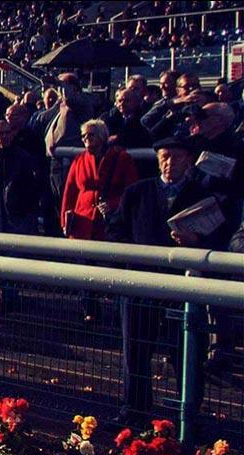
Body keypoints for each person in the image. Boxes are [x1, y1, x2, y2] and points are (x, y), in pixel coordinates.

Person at [105, 136, 212, 425]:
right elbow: (116, 231)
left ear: (188, 160)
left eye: (176, 157)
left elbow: (219, 234)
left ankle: (188, 416)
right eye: (164, 156)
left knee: (185, 354)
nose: (169, 162)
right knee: (136, 352)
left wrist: (197, 240)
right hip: (141, 285)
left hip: (184, 288)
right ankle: (135, 411)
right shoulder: (137, 192)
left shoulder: (203, 193)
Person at [61, 120, 139, 241]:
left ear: (102, 136)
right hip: (81, 223)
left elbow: (132, 190)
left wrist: (114, 204)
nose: (86, 138)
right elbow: (70, 192)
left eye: (90, 134)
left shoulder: (122, 158)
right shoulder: (79, 160)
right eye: (83, 135)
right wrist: (64, 221)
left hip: (109, 223)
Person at [0, 120, 45, 234]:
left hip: (19, 216)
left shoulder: (24, 157)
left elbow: (34, 187)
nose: (5, 136)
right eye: (0, 133)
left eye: (7, 133)